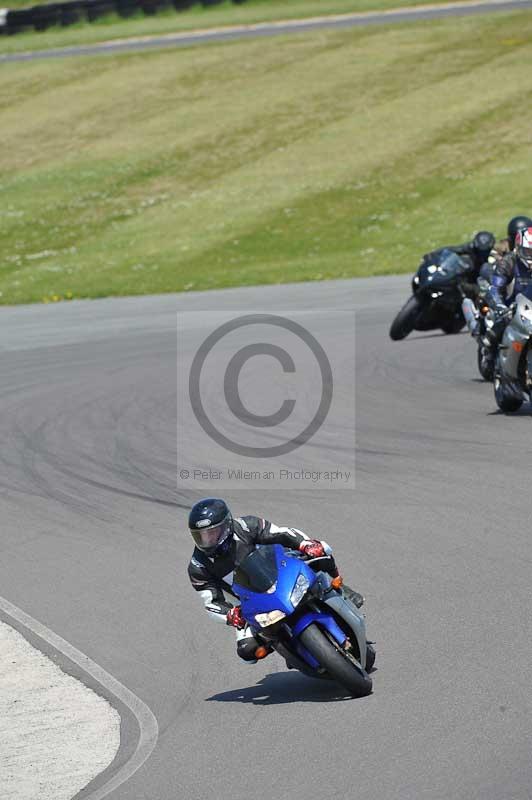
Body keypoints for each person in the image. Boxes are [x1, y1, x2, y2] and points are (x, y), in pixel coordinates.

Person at [187, 497, 363, 663]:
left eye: (212, 533)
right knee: (248, 651)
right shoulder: (198, 566)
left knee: (322, 551)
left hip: (281, 570)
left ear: (226, 525)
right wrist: (229, 614)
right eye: (201, 536)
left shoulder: (246, 526)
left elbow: (282, 533)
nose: (207, 541)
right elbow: (211, 602)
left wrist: (305, 544)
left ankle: (340, 588)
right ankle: (287, 649)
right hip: (251, 602)